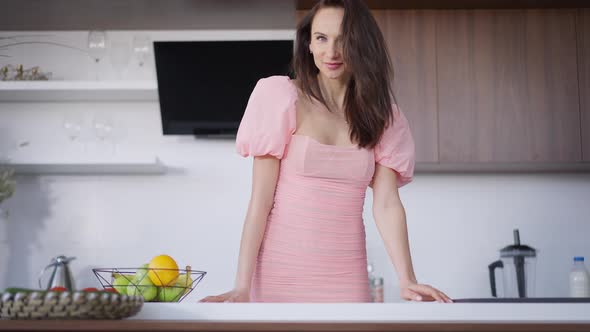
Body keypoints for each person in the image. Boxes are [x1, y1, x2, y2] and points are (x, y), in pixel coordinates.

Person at [200, 0, 452, 303]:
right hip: (280, 275)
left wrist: (407, 279)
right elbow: (260, 203)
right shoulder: (280, 96)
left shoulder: (385, 117)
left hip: (347, 277)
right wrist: (241, 286)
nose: (331, 52)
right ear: (308, 43)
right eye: (321, 38)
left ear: (362, 44)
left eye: (344, 39)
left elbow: (386, 205)